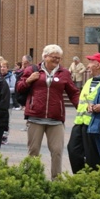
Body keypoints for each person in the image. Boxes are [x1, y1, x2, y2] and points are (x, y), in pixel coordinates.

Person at [16, 44, 79, 179]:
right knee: (33, 151)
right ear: (45, 57)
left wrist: (81, 107)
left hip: (56, 118)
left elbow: (73, 93)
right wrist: (28, 80)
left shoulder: (64, 73)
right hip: (35, 117)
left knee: (57, 151)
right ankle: (32, 179)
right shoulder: (32, 70)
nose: (56, 60)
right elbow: (19, 88)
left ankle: (56, 181)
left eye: (59, 58)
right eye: (53, 57)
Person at [67, 53, 100, 173]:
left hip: (93, 124)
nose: (88, 66)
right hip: (80, 123)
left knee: (92, 156)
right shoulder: (89, 81)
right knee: (73, 149)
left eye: (90, 63)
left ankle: (91, 180)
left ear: (97, 65)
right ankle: (80, 177)